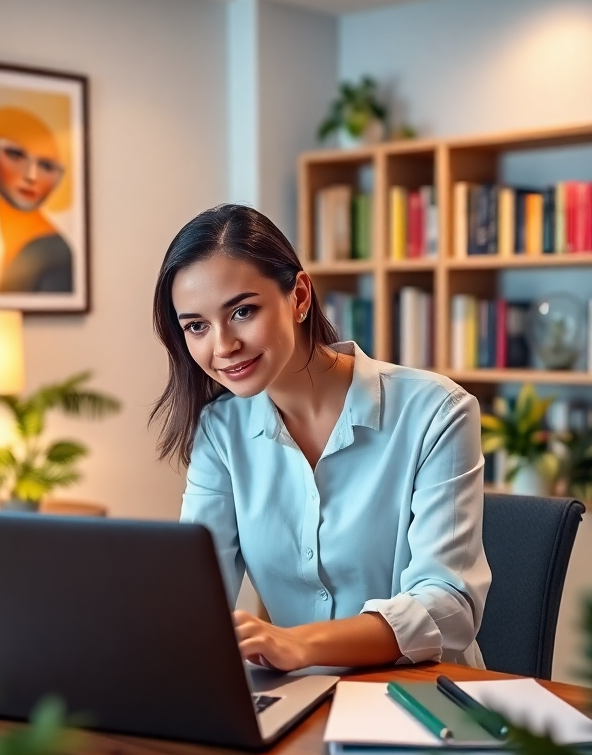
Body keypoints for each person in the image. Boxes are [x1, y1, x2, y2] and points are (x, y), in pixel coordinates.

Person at [150, 204, 490, 672]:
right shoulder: (221, 430)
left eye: (243, 311)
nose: (223, 346)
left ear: (300, 296)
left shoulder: (436, 411)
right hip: (298, 700)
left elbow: (448, 606)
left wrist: (299, 645)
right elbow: (194, 595)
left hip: (419, 698)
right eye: (196, 326)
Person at [0, 107, 73, 293]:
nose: (31, 176)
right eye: (15, 155)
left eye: (46, 165)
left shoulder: (52, 254)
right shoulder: (8, 246)